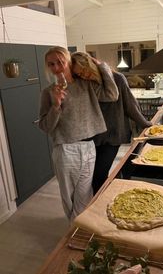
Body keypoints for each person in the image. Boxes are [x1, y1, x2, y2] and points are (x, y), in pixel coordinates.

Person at [38, 47, 118, 221]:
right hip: (66, 150)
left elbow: (112, 95)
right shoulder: (48, 92)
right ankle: (75, 232)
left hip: (89, 147)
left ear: (68, 62)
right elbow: (45, 126)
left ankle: (78, 231)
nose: (56, 67)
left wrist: (103, 67)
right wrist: (56, 105)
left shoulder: (86, 84)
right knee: (69, 198)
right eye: (51, 64)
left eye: (60, 62)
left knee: (84, 195)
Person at [72, 53, 152, 194]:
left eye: (84, 70)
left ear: (91, 64)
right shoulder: (85, 84)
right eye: (79, 74)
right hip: (92, 137)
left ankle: (101, 205)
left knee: (99, 175)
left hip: (113, 135)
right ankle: (100, 202)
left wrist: (146, 124)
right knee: (90, 177)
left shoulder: (117, 79)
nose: (84, 75)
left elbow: (130, 106)